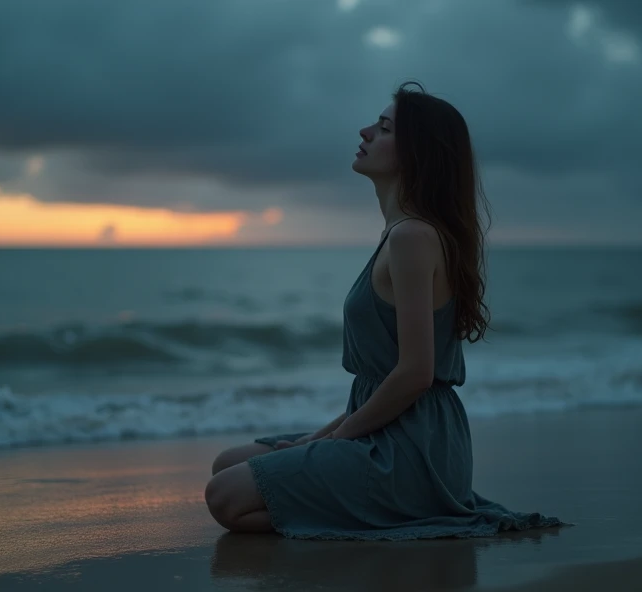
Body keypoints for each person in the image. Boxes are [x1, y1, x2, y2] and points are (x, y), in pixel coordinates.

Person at [205, 81, 565, 540]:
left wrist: (333, 441)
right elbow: (383, 384)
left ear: (418, 154)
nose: (366, 132)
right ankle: (365, 510)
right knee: (227, 464)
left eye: (384, 127)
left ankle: (397, 519)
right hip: (390, 428)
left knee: (225, 498)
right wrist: (319, 437)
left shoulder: (412, 237)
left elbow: (416, 374)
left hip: (411, 451)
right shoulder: (402, 234)